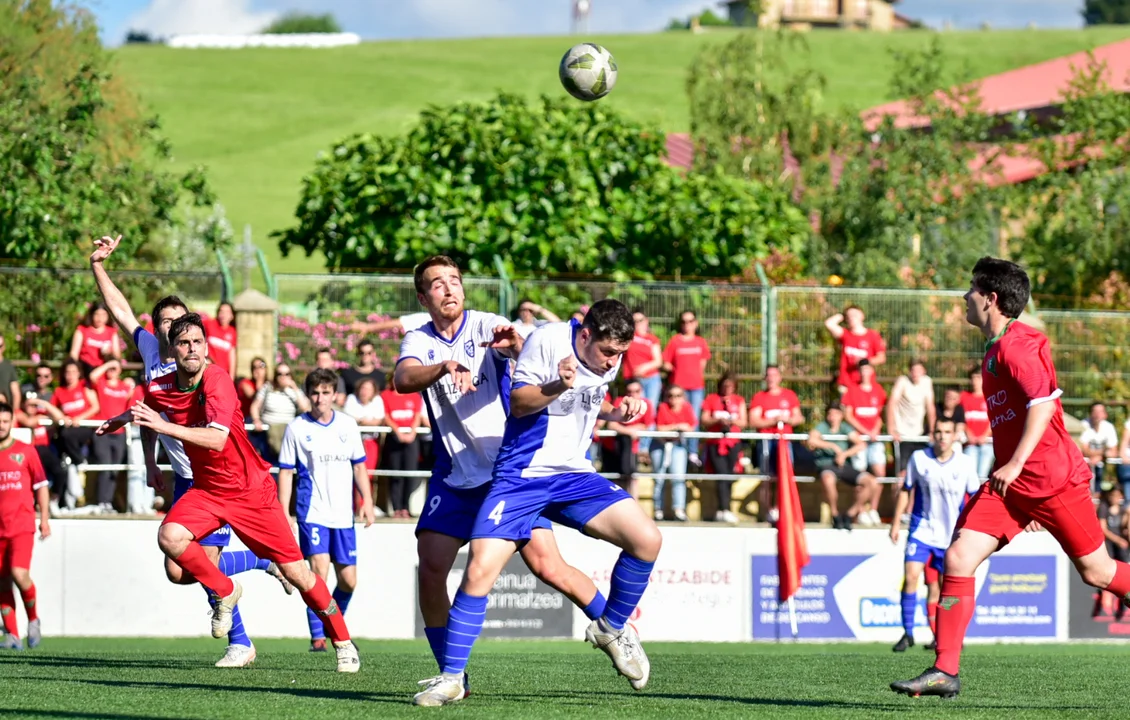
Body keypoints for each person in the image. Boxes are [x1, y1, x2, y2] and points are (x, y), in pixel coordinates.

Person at [892, 257, 1130, 699]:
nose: (965, 296)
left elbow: (1043, 404)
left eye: (971, 289)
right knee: (958, 558)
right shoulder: (994, 348)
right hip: (1009, 488)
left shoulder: (1018, 345)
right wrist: (1012, 471)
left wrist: (1017, 463)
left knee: (1097, 572)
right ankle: (945, 670)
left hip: (1052, 481)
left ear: (990, 298)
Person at [413, 298, 662, 706]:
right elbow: (520, 403)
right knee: (479, 569)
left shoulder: (607, 358)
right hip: (521, 478)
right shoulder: (547, 340)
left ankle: (612, 627)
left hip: (574, 475)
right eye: (607, 352)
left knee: (647, 539)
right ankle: (453, 678)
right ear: (585, 335)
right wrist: (558, 384)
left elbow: (585, 402)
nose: (613, 361)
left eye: (620, 354)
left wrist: (617, 414)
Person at [393, 256, 615, 702]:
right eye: (437, 284)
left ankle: (618, 631)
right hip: (455, 473)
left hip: (507, 474)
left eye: (454, 280)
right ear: (423, 297)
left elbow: (532, 358)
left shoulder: (486, 325)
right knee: (431, 567)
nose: (449, 289)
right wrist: (443, 367)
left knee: (549, 567)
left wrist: (515, 347)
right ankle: (452, 675)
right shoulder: (418, 338)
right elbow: (402, 378)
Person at [96, 314, 361, 672]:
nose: (192, 349)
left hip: (251, 492)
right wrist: (131, 427)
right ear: (173, 349)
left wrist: (163, 427)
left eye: (198, 342)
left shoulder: (217, 379)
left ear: (206, 347)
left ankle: (342, 640)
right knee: (169, 537)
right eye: (184, 343)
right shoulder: (161, 386)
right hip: (207, 491)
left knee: (300, 574)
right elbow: (149, 411)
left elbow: (217, 439)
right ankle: (225, 589)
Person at [90, 233, 289, 669]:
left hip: (216, 478)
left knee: (205, 565)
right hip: (184, 477)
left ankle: (240, 643)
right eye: (165, 321)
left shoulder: (200, 368)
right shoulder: (150, 351)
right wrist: (98, 265)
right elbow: (120, 311)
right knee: (179, 569)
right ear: (158, 327)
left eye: (180, 321)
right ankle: (260, 560)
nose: (172, 327)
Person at [277, 368, 376, 652]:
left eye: (325, 392)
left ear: (334, 394)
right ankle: (318, 637)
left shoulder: (347, 425)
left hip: (343, 515)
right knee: (318, 575)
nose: (320, 398)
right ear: (308, 395)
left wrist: (367, 501)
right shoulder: (297, 428)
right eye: (315, 393)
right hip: (313, 512)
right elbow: (286, 472)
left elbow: (359, 466)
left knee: (349, 581)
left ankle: (334, 626)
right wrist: (284, 512)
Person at [888, 419, 979, 653]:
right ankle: (907, 633)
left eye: (947, 432)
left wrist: (973, 531)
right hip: (922, 530)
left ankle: (945, 635)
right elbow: (906, 490)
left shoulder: (965, 463)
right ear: (932, 434)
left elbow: (975, 500)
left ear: (955, 435)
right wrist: (896, 523)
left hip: (950, 536)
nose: (942, 436)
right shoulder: (919, 458)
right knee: (911, 576)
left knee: (944, 590)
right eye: (938, 431)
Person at [0, 402, 50, 651]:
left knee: (19, 574)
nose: (1, 426)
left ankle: (33, 619)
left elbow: (41, 486)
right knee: (1, 581)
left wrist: (44, 519)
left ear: (12, 422)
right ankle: (11, 634)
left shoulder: (26, 451)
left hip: (21, 526)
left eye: (5, 421)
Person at [807, 403, 876, 530]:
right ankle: (835, 514)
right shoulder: (822, 426)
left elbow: (861, 444)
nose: (832, 417)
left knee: (871, 482)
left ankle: (850, 514)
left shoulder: (845, 428)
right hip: (826, 465)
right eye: (830, 413)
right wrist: (832, 446)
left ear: (841, 415)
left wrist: (844, 454)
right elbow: (811, 440)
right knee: (828, 479)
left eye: (836, 414)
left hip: (843, 465)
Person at [661, 310, 710, 463]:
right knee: (679, 418)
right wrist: (676, 371)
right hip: (679, 388)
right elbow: (665, 362)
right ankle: (681, 448)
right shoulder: (675, 341)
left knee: (693, 419)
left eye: (690, 321)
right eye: (684, 321)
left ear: (695, 323)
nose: (687, 324)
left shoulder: (700, 342)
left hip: (696, 387)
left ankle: (692, 452)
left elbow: (702, 364)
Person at [50, 358, 100, 509]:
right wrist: (62, 417)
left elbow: (95, 407)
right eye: (67, 372)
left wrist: (80, 418)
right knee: (67, 461)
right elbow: (52, 410)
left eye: (73, 372)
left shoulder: (85, 387)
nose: (70, 375)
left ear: (79, 373)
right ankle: (71, 500)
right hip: (68, 431)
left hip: (84, 428)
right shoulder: (59, 391)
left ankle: (79, 461)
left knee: (67, 436)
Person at [88, 360, 134, 514]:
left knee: (115, 468)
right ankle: (102, 501)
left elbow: (133, 395)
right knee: (105, 466)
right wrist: (108, 364)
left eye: (116, 368)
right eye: (110, 368)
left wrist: (130, 382)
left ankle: (107, 502)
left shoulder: (125, 386)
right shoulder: (102, 384)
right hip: (104, 432)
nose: (112, 370)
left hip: (120, 433)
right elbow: (92, 376)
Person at [700, 373, 747, 523]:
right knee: (721, 474)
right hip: (716, 442)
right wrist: (718, 420)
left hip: (733, 443)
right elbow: (704, 420)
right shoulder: (711, 399)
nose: (727, 388)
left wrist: (732, 421)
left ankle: (725, 508)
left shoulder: (739, 400)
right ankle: (723, 509)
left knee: (730, 475)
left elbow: (744, 422)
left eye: (730, 386)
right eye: (725, 385)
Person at [843, 361, 889, 510]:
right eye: (862, 370)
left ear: (872, 371)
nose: (865, 372)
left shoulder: (878, 390)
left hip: (875, 439)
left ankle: (873, 510)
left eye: (867, 369)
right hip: (859, 440)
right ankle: (860, 511)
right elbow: (848, 416)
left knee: (880, 473)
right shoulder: (852, 391)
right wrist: (865, 431)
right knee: (860, 477)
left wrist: (875, 430)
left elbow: (881, 415)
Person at [599, 380, 653, 499]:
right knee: (614, 480)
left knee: (631, 477)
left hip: (631, 449)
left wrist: (627, 429)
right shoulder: (620, 402)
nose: (633, 394)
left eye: (636, 391)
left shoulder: (646, 404)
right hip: (613, 447)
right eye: (629, 391)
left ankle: (632, 504)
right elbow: (612, 425)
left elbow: (646, 426)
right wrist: (630, 431)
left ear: (641, 391)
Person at [380, 382, 427, 519]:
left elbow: (417, 415)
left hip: (412, 439)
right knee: (395, 474)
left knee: (410, 473)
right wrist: (398, 433)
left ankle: (406, 507)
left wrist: (412, 433)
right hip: (394, 438)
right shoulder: (385, 395)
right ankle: (396, 508)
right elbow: (386, 416)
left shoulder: (414, 395)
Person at [15, 393, 67, 513]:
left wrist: (43, 403)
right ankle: (34, 502)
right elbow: (28, 422)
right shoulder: (18, 413)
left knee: (60, 471)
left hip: (44, 451)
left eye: (35, 405)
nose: (32, 408)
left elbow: (60, 417)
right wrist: (40, 418)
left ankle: (53, 499)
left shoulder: (42, 414)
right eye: (30, 404)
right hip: (26, 452)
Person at [249, 363, 310, 463]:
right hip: (268, 432)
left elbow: (305, 408)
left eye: (287, 374)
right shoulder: (268, 388)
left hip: (287, 432)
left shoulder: (294, 391)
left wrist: (294, 388)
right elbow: (255, 406)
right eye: (279, 374)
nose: (283, 377)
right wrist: (256, 420)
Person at [651, 385, 695, 522]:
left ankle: (679, 510)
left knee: (679, 478)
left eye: (678, 396)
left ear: (683, 397)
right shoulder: (663, 407)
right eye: (670, 395)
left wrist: (671, 428)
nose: (674, 399)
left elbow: (691, 427)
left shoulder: (687, 408)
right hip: (660, 445)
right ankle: (658, 509)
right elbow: (659, 428)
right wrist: (677, 426)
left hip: (678, 446)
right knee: (659, 478)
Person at [887, 359, 936, 479]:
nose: (915, 373)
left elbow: (930, 407)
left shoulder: (927, 382)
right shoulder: (902, 381)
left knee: (922, 473)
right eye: (913, 370)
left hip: (919, 435)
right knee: (901, 475)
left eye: (918, 370)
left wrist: (932, 431)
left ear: (924, 371)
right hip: (902, 435)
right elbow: (891, 403)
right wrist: (891, 429)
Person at [622, 310, 662, 453]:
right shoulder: (628, 337)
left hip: (651, 379)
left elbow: (658, 361)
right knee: (635, 411)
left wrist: (645, 367)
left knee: (649, 411)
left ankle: (644, 447)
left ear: (646, 321)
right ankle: (634, 447)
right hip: (633, 381)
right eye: (634, 321)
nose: (637, 324)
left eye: (640, 320)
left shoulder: (652, 339)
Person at [825, 305, 887, 393]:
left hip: (865, 383)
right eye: (848, 315)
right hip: (846, 383)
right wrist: (842, 315)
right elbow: (829, 324)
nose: (851, 317)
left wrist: (864, 361)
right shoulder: (845, 334)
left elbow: (881, 358)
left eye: (854, 314)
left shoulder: (872, 335)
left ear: (862, 315)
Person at [1096, 487, 1129, 620]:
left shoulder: (1123, 510)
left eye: (1117, 495)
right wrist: (1118, 540)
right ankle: (1105, 604)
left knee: (1123, 571)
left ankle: (1122, 606)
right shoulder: (1104, 508)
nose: (1114, 498)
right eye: (1112, 495)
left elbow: (1124, 528)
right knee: (1106, 575)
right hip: (1108, 544)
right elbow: (1103, 529)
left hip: (1121, 547)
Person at [69, 301, 122, 377]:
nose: (100, 318)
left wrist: (109, 353)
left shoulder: (112, 332)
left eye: (103, 315)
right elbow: (74, 354)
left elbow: (117, 355)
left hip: (103, 371)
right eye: (97, 314)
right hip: (85, 368)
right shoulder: (82, 330)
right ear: (92, 314)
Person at [960, 367, 993, 479]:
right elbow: (960, 419)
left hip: (987, 444)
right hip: (969, 444)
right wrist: (969, 434)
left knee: (982, 475)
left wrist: (985, 436)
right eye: (973, 378)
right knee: (970, 476)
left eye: (978, 378)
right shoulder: (963, 397)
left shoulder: (990, 397)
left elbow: (993, 420)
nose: (975, 381)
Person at [1079, 401, 1118, 493]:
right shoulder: (1083, 425)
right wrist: (1103, 452)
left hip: (1102, 465)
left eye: (1100, 411)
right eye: (1095, 411)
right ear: (1090, 413)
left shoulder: (1109, 427)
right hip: (1085, 465)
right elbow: (1083, 450)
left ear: (1105, 414)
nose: (1097, 415)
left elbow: (1114, 451)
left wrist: (1100, 457)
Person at [238, 357, 269, 459]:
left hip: (265, 420)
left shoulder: (270, 385)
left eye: (261, 366)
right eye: (255, 367)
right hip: (249, 421)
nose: (258, 370)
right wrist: (260, 381)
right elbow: (255, 397)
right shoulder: (245, 383)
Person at [203, 302, 237, 377]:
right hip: (209, 370)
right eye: (221, 311)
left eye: (227, 312)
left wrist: (231, 378)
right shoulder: (210, 324)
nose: (224, 315)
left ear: (232, 316)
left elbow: (232, 355)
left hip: (223, 373)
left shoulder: (232, 331)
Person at [0, 337, 20, 407]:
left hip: (5, 408)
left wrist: (15, 411)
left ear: (4, 347)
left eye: (0, 346)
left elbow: (16, 393)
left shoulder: (9, 366)